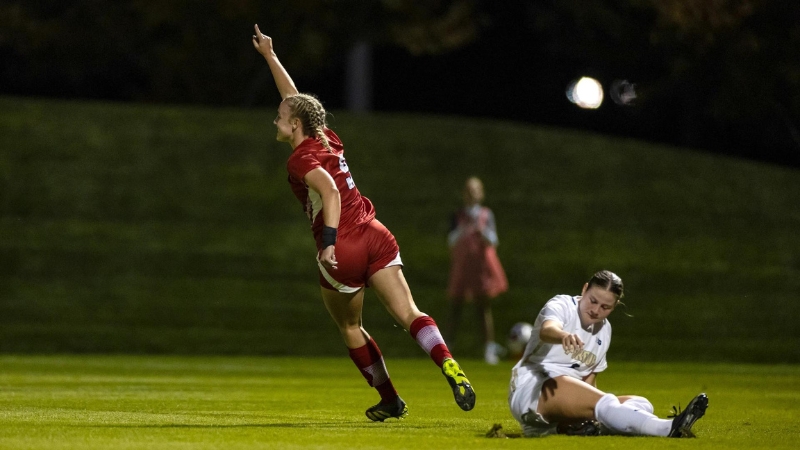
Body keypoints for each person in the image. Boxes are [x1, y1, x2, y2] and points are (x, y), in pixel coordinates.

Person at [251, 24, 475, 422]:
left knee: (351, 326)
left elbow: (330, 195)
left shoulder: (300, 158)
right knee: (409, 312)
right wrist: (270, 55)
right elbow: (295, 100)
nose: (276, 120)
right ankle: (447, 363)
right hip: (375, 233)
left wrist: (331, 243)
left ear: (296, 125)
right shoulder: (326, 138)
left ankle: (390, 399)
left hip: (345, 247)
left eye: (279, 117)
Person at [508, 270, 708, 438]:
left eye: (605, 307)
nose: (596, 310)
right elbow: (547, 329)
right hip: (533, 387)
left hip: (562, 398)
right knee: (607, 404)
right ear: (584, 289)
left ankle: (575, 428)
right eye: (593, 301)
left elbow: (589, 382)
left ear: (615, 306)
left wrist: (588, 413)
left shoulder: (605, 330)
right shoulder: (563, 305)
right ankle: (668, 428)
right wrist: (562, 336)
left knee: (640, 403)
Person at [446, 177, 508, 364]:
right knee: (455, 305)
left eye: (475, 190)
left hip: (481, 266)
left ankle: (488, 347)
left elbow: (494, 240)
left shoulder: (486, 215)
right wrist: (463, 230)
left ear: (481, 193)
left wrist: (483, 233)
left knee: (483, 307)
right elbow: (451, 240)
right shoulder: (458, 215)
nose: (472, 193)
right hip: (463, 264)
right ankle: (447, 346)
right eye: (468, 190)